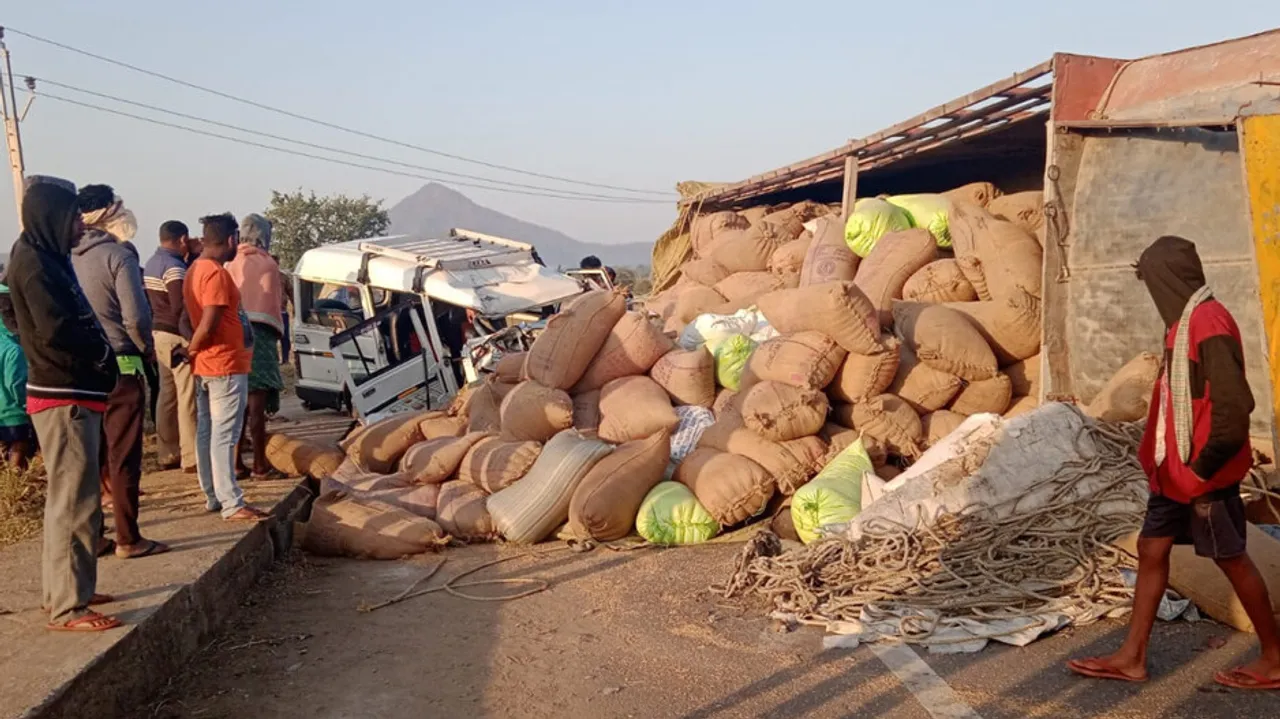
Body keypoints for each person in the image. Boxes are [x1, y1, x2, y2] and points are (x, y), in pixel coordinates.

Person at [1069, 236, 1280, 690]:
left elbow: (1233, 408)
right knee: (1152, 550)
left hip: (1203, 474)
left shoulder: (1210, 325)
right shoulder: (1182, 324)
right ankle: (1132, 657)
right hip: (1173, 473)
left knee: (1231, 558)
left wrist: (1202, 470)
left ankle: (1274, 658)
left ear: (1166, 279)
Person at [8, 176, 121, 632]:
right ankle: (69, 606)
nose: (80, 222)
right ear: (53, 216)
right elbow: (56, 328)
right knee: (76, 500)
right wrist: (98, 354)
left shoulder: (43, 257)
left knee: (70, 498)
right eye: (74, 215)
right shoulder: (34, 264)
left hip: (70, 391)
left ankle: (67, 590)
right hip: (64, 394)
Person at [72, 184, 169, 560]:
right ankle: (129, 538)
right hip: (122, 365)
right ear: (111, 215)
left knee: (90, 458)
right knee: (123, 455)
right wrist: (146, 352)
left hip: (81, 369)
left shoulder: (64, 257)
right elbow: (136, 317)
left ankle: (94, 536)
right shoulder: (119, 256)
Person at [183, 213, 268, 521]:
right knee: (225, 434)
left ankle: (213, 495)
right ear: (231, 239)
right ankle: (231, 502)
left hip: (207, 365)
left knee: (207, 431)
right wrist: (193, 347)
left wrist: (192, 352)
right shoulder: (216, 274)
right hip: (224, 364)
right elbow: (209, 322)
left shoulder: (195, 270)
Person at [225, 214, 285, 480]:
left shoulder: (229, 262)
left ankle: (236, 463)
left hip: (232, 335)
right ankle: (260, 464)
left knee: (237, 405)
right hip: (258, 337)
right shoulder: (268, 264)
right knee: (256, 406)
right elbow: (274, 302)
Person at [145, 221, 197, 473]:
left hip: (159, 333)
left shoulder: (153, 263)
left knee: (167, 396)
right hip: (176, 336)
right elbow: (180, 307)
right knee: (187, 396)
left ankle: (167, 453)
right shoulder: (175, 267)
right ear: (183, 239)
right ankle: (191, 457)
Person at [0, 275, 33, 470]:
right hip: (14, 414)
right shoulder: (14, 350)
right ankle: (16, 479)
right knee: (19, 451)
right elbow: (17, 384)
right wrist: (26, 406)